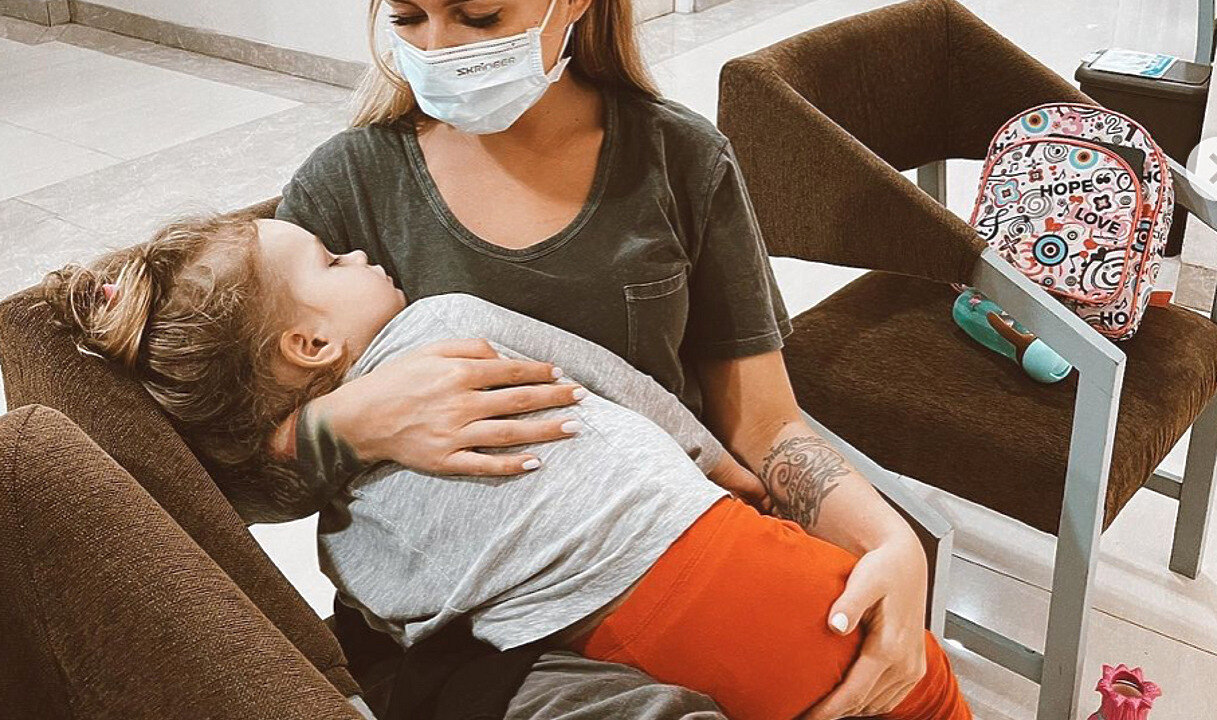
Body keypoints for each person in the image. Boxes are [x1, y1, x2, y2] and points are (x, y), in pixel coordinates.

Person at [266, 0, 960, 716]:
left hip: (658, 565)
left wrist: (890, 543)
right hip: (459, 638)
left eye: (480, 17)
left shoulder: (678, 158)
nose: (437, 49)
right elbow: (241, 484)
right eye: (408, 18)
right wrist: (347, 426)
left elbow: (763, 425)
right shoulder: (346, 187)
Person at [40, 214, 970, 719]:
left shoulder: (346, 550)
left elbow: (421, 626)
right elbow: (621, 388)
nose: (358, 250)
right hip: (739, 565)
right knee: (923, 696)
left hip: (612, 654)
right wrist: (724, 471)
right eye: (332, 259)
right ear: (310, 341)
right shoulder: (437, 322)